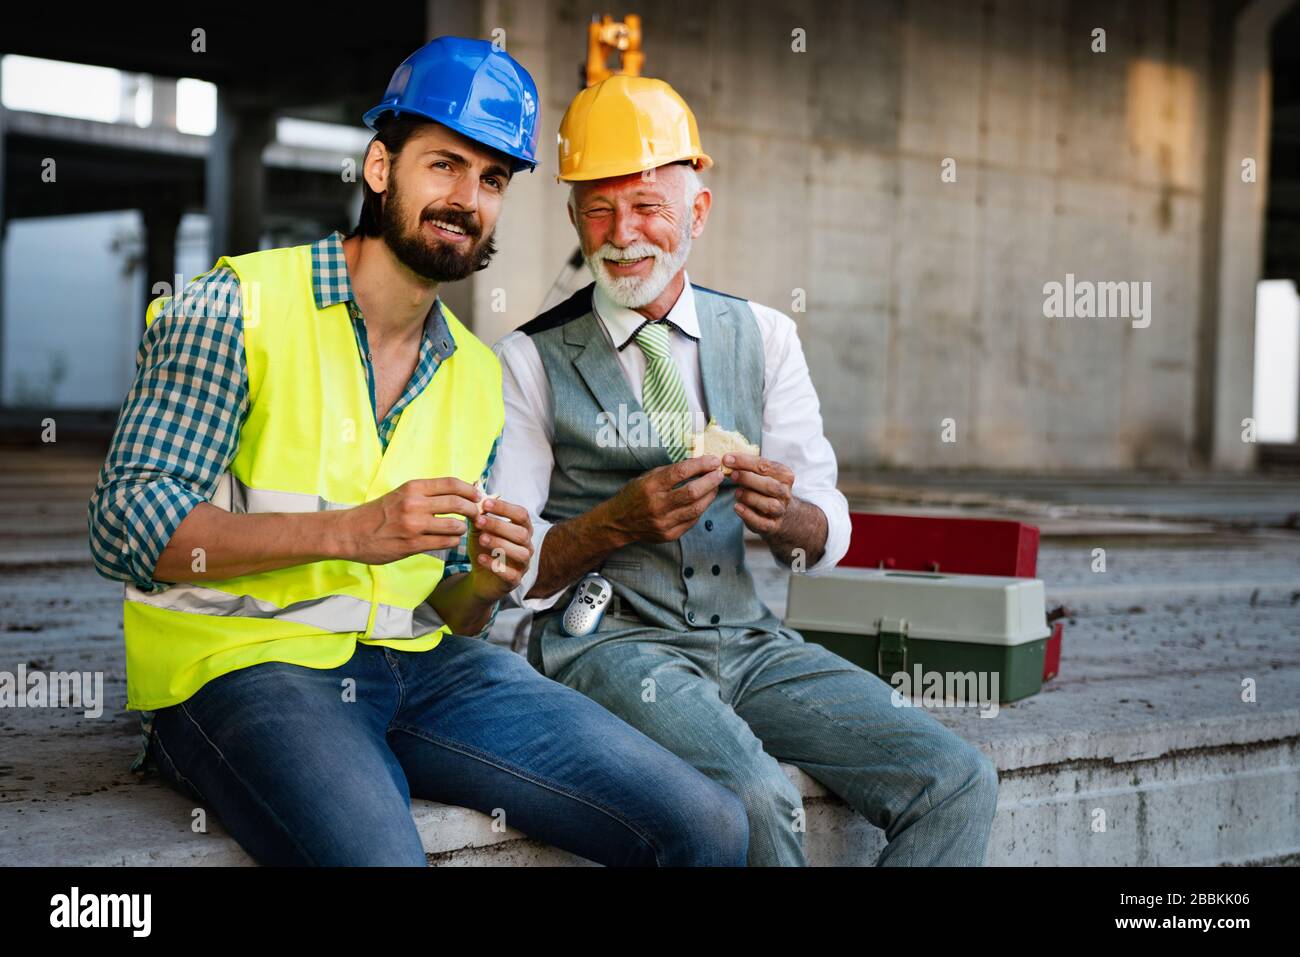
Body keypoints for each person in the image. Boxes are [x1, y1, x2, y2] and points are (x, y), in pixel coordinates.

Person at [87, 40, 747, 867]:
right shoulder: (236, 306)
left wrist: (489, 577)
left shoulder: (476, 371)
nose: (466, 199)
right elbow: (127, 527)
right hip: (243, 669)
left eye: (493, 179)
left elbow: (448, 609)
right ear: (378, 166)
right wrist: (351, 532)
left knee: (709, 825)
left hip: (421, 667)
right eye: (444, 164)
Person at [490, 75, 999, 866]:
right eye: (599, 209)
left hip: (750, 636)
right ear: (572, 220)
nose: (623, 234)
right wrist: (615, 523)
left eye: (649, 206)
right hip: (610, 645)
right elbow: (515, 569)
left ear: (697, 213)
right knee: (755, 796)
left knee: (956, 776)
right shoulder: (526, 359)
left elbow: (825, 532)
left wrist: (786, 513)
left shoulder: (765, 336)